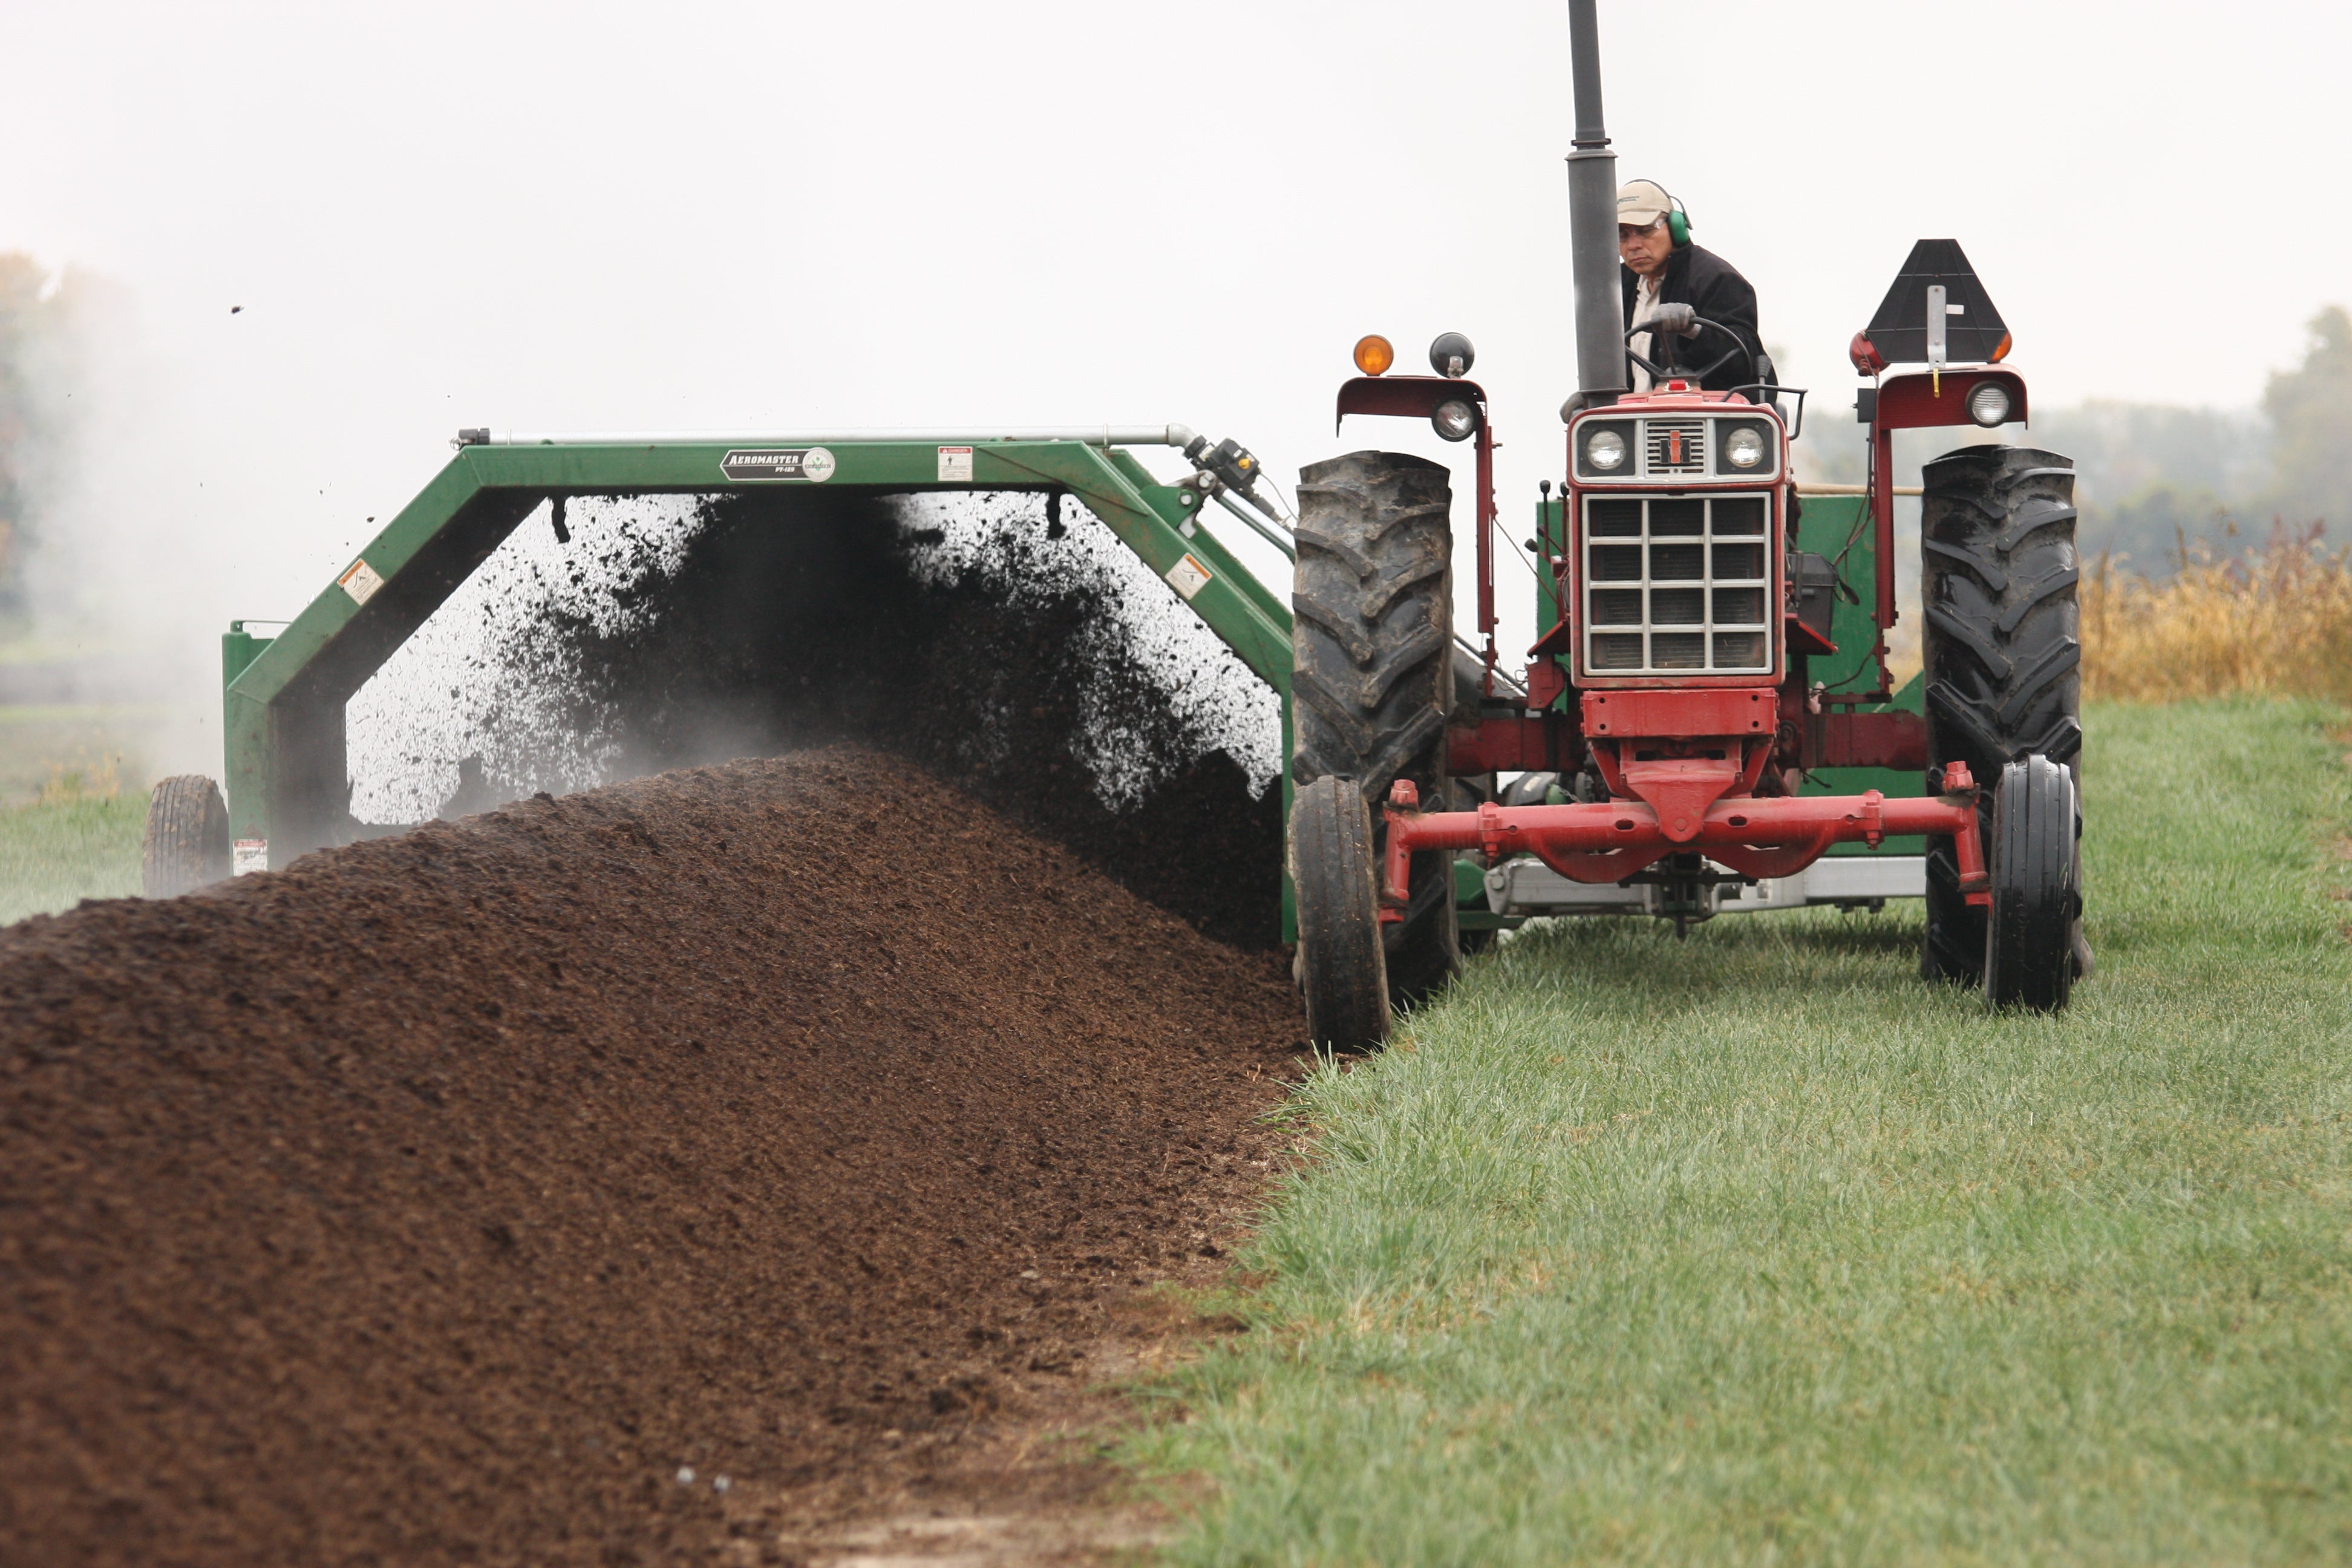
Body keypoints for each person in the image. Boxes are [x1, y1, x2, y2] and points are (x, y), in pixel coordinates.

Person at [1618, 179, 1765, 394]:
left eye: (1645, 230)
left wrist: (1694, 330)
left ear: (1676, 227)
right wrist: (1594, 396)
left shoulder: (1717, 278)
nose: (1633, 245)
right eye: (1623, 235)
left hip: (1710, 417)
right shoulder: (1615, 287)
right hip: (1633, 420)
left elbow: (1745, 360)